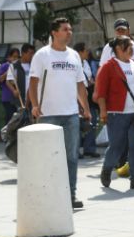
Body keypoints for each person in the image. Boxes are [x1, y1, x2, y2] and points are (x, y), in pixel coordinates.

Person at [28, 18, 92, 209]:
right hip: (48, 115)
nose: (69, 32)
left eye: (70, 29)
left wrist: (86, 108)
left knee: (71, 157)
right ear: (54, 32)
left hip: (71, 114)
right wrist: (35, 105)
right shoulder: (42, 55)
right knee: (49, 157)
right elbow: (32, 82)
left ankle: (70, 195)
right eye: (65, 29)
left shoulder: (74, 56)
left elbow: (80, 84)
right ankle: (48, 195)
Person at [94, 36, 134, 191]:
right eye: (127, 45)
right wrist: (103, 111)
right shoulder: (108, 66)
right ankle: (107, 169)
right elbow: (100, 92)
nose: (131, 48)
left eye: (131, 45)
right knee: (117, 146)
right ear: (117, 48)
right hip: (117, 114)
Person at [74, 41, 101, 158]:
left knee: (91, 122)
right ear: (80, 52)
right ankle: (75, 150)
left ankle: (89, 148)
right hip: (76, 96)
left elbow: (89, 78)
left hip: (88, 96)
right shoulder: (74, 64)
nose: (88, 53)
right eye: (85, 51)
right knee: (77, 124)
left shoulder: (86, 63)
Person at [5, 43, 35, 112]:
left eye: (33, 53)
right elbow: (8, 81)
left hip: (31, 99)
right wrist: (14, 90)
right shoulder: (14, 66)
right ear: (23, 53)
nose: (32, 56)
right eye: (30, 53)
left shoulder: (33, 65)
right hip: (19, 100)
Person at [0, 48, 20, 125]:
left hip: (17, 97)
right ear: (9, 57)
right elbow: (0, 79)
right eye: (14, 57)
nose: (15, 59)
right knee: (10, 117)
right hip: (7, 97)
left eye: (17, 57)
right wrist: (9, 70)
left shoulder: (19, 66)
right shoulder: (5, 66)